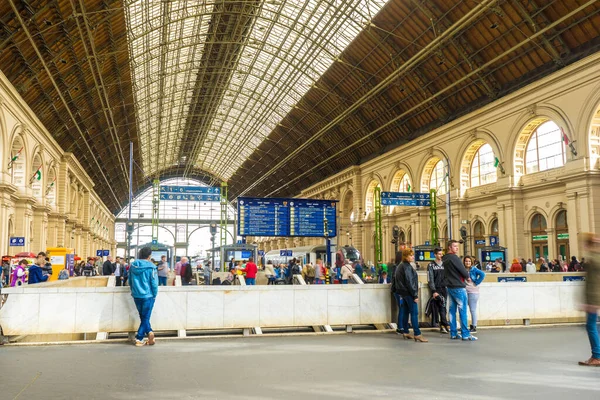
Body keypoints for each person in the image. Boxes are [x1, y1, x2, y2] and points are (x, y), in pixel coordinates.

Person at [443, 240, 477, 341]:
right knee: (463, 310)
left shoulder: (445, 258)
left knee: (452, 311)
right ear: (449, 247)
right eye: (455, 246)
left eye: (457, 246)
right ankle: (465, 334)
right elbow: (462, 270)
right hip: (458, 286)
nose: (457, 248)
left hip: (449, 286)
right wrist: (468, 277)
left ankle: (453, 333)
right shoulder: (455, 258)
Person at [394, 249, 427, 342]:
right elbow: (410, 282)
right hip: (409, 293)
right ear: (406, 256)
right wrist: (415, 295)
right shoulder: (407, 267)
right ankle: (417, 333)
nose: (413, 257)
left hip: (403, 292)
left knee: (405, 312)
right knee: (414, 313)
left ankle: (406, 331)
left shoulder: (400, 266)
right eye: (411, 255)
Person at [129, 247, 158, 347]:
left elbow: (130, 281)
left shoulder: (133, 266)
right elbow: (154, 283)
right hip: (148, 295)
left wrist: (133, 291)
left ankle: (150, 333)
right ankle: (139, 338)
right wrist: (154, 294)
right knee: (146, 317)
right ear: (149, 256)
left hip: (136, 295)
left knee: (143, 316)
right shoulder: (151, 267)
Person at [579, 233, 600, 366]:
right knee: (592, 326)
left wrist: (588, 301)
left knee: (591, 326)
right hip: (594, 297)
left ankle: (597, 356)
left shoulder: (592, 259)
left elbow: (592, 283)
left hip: (593, 298)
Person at [427, 247, 450, 334]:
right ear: (435, 255)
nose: (441, 256)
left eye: (442, 254)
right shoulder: (431, 265)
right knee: (439, 306)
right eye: (439, 254)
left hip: (444, 288)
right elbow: (430, 278)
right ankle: (443, 324)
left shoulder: (445, 264)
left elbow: (448, 276)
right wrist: (433, 291)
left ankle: (443, 325)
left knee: (443, 306)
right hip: (436, 289)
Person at [464, 255, 485, 333]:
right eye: (466, 261)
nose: (468, 263)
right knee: (464, 309)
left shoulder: (474, 269)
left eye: (469, 261)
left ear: (471, 262)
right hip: (464, 291)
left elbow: (483, 274)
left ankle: (474, 326)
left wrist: (476, 282)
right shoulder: (462, 269)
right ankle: (465, 325)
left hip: (473, 291)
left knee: (472, 309)